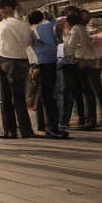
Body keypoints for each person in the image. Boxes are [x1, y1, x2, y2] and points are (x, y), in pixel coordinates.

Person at [0, 0, 35, 140]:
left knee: (6, 97)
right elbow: (28, 42)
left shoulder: (3, 24)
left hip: (6, 60)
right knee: (19, 97)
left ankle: (10, 130)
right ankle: (26, 129)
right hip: (23, 61)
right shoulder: (25, 24)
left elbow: (0, 45)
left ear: (7, 8)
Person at [29, 9, 67, 138]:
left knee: (43, 95)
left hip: (38, 64)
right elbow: (62, 20)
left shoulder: (31, 30)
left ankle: (46, 126)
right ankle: (51, 126)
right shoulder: (48, 25)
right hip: (52, 62)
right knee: (48, 95)